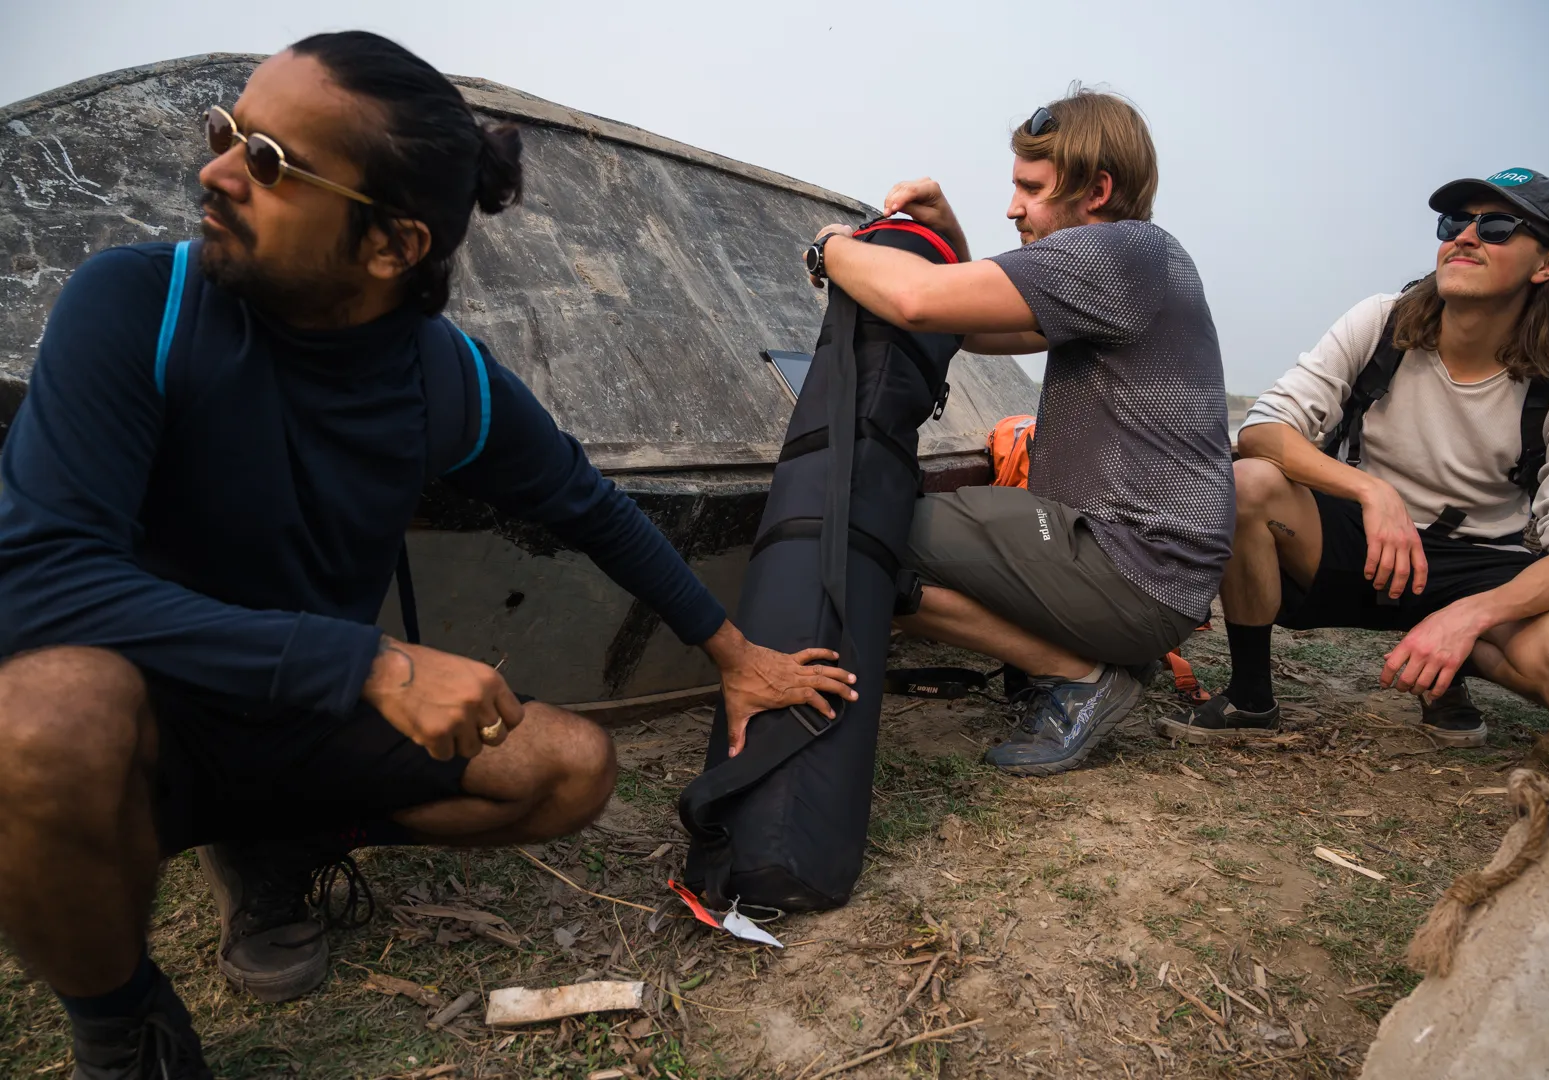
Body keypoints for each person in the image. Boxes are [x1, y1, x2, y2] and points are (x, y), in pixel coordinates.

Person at [0, 33, 856, 1080]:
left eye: (266, 162)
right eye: (226, 132)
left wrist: (733, 653)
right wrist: (369, 664)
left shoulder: (445, 379)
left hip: (301, 726)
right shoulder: (141, 306)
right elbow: (36, 580)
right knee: (40, 720)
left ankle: (275, 855)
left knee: (570, 768)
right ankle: (124, 1025)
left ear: (390, 246)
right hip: (155, 712)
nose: (214, 172)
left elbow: (589, 506)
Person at [801, 86, 1234, 776]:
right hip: (1146, 571)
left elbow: (917, 301)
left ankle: (1085, 677)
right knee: (880, 532)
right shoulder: (1127, 263)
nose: (1013, 207)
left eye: (1030, 189)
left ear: (1096, 190)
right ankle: (1088, 661)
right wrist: (948, 237)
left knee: (865, 531)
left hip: (1132, 572)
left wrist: (830, 248)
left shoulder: (1116, 254)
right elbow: (972, 323)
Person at [1157, 169, 1549, 747]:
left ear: (1548, 264)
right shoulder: (1382, 321)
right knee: (1248, 483)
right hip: (1362, 542)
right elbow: (1265, 429)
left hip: (1479, 563)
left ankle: (1449, 660)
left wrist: (1468, 615)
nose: (1466, 237)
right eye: (1456, 222)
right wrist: (1373, 493)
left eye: (1498, 226)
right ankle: (1251, 698)